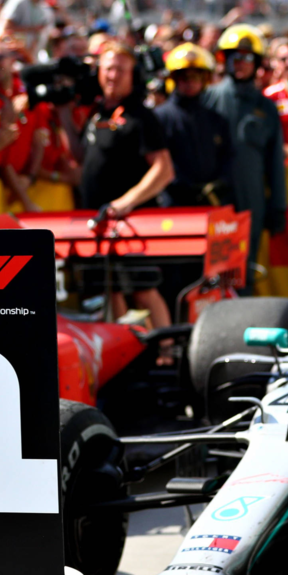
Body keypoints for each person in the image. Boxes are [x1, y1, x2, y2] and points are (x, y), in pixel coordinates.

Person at [79, 42, 176, 350]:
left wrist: (126, 202)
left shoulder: (141, 116)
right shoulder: (95, 112)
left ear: (133, 74)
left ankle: (168, 354)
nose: (113, 75)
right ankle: (123, 353)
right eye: (108, 68)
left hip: (131, 223)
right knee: (110, 292)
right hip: (96, 222)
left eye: (121, 70)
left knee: (143, 289)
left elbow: (163, 169)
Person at [204, 24, 287, 295]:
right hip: (213, 199)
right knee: (212, 271)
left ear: (258, 63)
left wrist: (278, 206)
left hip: (251, 201)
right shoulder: (208, 99)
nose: (239, 63)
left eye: (247, 58)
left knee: (244, 270)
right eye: (233, 57)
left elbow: (274, 163)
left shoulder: (266, 108)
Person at [154, 42, 234, 206]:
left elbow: (227, 157)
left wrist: (219, 183)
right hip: (173, 204)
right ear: (174, 79)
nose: (190, 82)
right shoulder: (160, 117)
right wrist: (184, 186)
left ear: (204, 79)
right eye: (184, 77)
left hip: (211, 202)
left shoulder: (215, 118)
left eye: (196, 76)